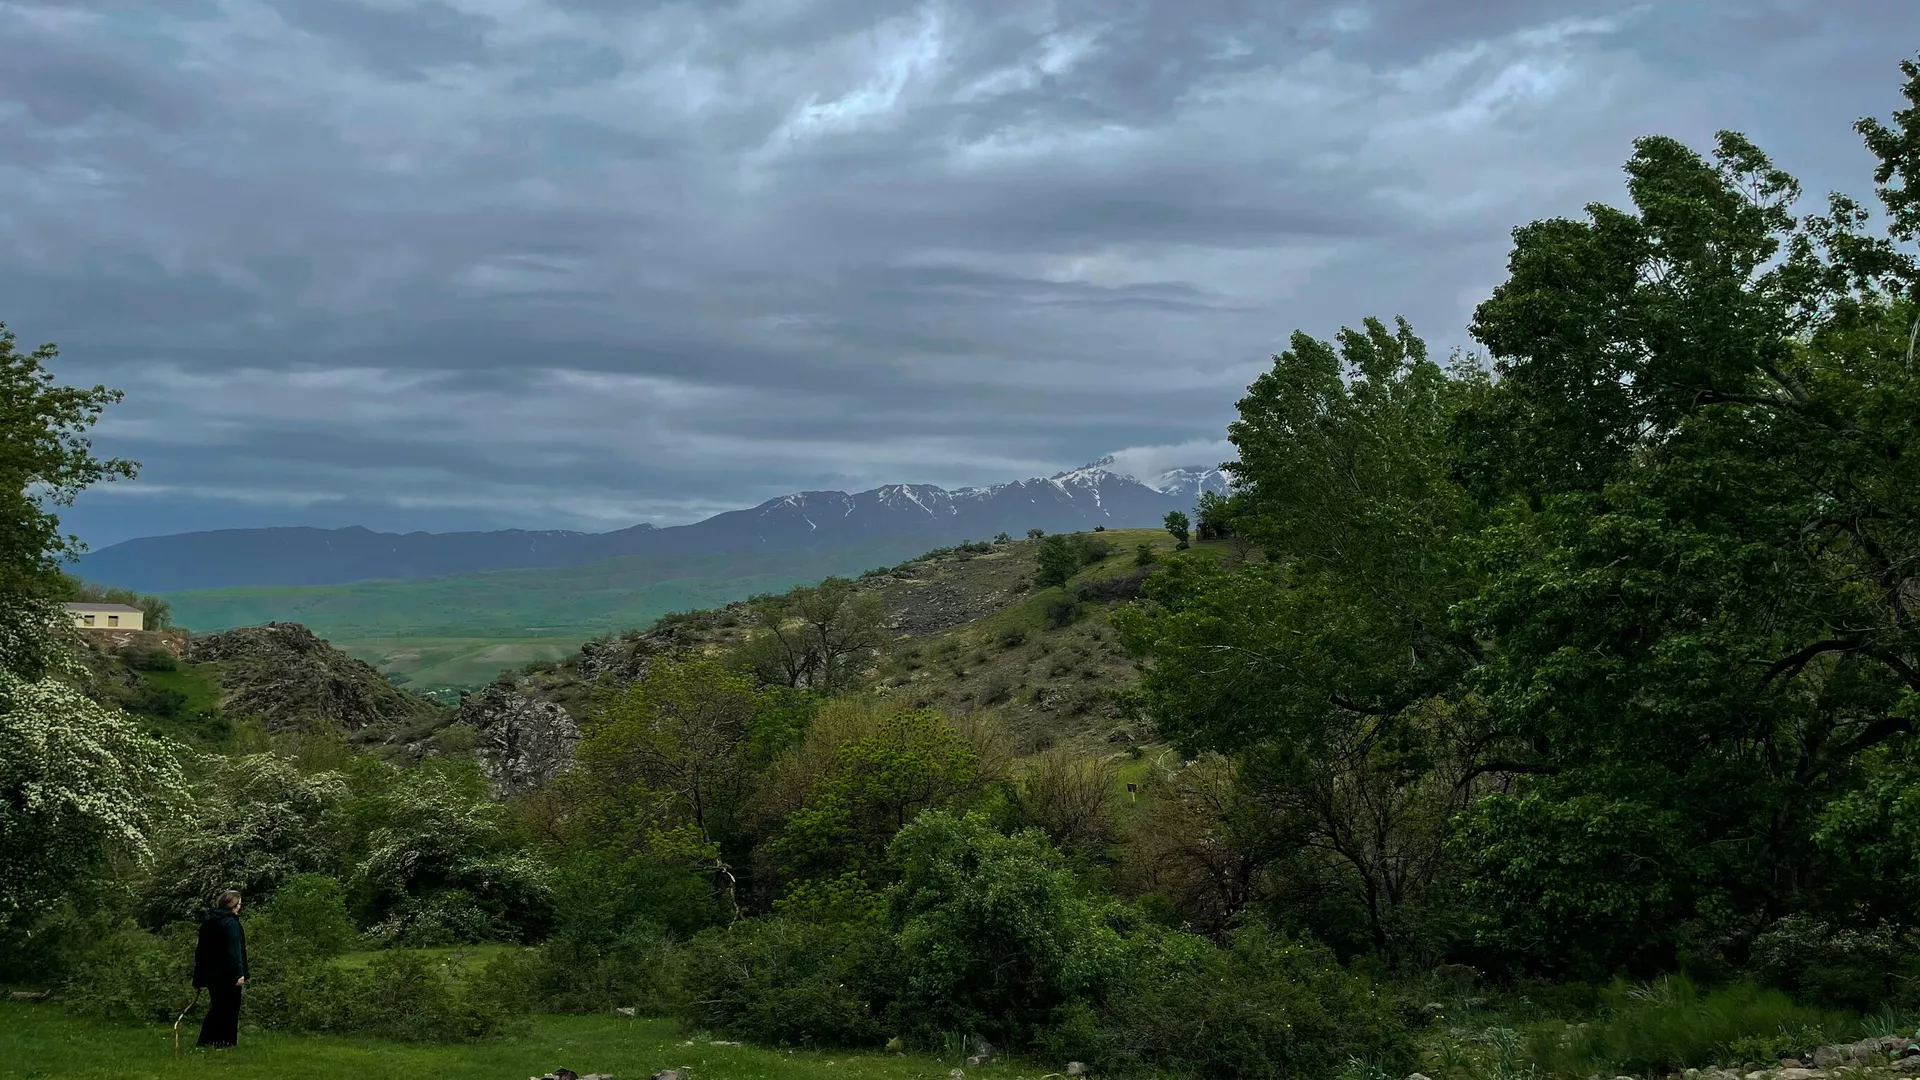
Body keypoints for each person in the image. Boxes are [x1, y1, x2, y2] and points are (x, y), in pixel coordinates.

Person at [192, 890, 248, 1049]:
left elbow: (201, 951)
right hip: (228, 973)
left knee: (218, 1006)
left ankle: (209, 1040)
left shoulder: (209, 921)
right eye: (239, 903)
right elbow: (234, 951)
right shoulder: (230, 923)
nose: (240, 906)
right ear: (233, 905)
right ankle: (226, 1041)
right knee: (230, 1007)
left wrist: (200, 974)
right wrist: (239, 973)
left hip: (212, 973)